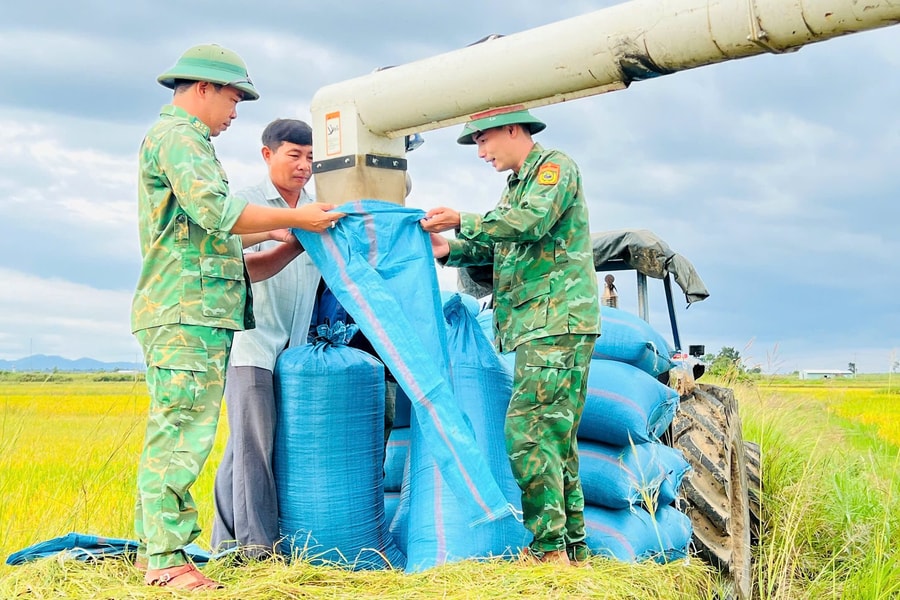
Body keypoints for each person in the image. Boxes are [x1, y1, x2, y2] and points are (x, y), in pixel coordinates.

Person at [132, 44, 344, 591]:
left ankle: (155, 551)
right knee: (181, 434)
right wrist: (294, 216)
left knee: (179, 431)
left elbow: (223, 242)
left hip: (194, 309)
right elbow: (220, 213)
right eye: (232, 98)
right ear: (202, 88)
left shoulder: (187, 142)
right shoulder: (180, 139)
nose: (234, 111)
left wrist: (292, 236)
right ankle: (167, 560)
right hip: (185, 312)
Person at [420, 109, 600, 566]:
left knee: (527, 434)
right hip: (543, 324)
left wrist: (461, 218)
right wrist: (450, 248)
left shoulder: (553, 168)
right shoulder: (517, 185)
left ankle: (546, 551)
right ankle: (570, 549)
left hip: (555, 321)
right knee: (556, 439)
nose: (481, 152)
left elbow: (528, 224)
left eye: (484, 140)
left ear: (514, 129)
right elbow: (497, 244)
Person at [211, 118, 323, 560]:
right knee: (255, 448)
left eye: (311, 157)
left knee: (246, 445)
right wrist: (290, 241)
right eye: (294, 155)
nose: (304, 166)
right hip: (250, 343)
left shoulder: (317, 212)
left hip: (294, 348)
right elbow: (235, 268)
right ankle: (259, 553)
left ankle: (225, 545)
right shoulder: (247, 207)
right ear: (267, 155)